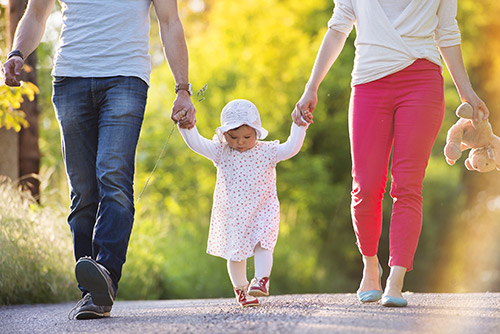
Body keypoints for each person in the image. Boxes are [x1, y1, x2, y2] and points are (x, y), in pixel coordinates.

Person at [2, 0, 196, 319]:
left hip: (126, 77)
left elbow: (170, 22)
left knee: (113, 176)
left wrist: (183, 89)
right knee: (82, 192)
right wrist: (16, 53)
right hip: (69, 79)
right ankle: (93, 292)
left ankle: (104, 274)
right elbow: (35, 15)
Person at [293, 0, 489, 307]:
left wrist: (467, 93)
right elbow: (337, 28)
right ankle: (371, 265)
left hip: (422, 83)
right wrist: (311, 87)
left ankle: (396, 280)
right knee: (367, 185)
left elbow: (447, 33)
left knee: (408, 185)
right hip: (369, 83)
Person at [176, 99, 311, 307]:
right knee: (235, 252)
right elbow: (198, 144)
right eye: (233, 137)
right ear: (224, 134)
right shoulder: (221, 151)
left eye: (247, 136)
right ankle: (241, 290)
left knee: (263, 242)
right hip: (233, 213)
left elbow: (291, 148)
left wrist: (299, 125)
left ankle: (261, 279)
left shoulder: (267, 151)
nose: (240, 142)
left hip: (262, 209)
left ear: (257, 132)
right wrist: (187, 128)